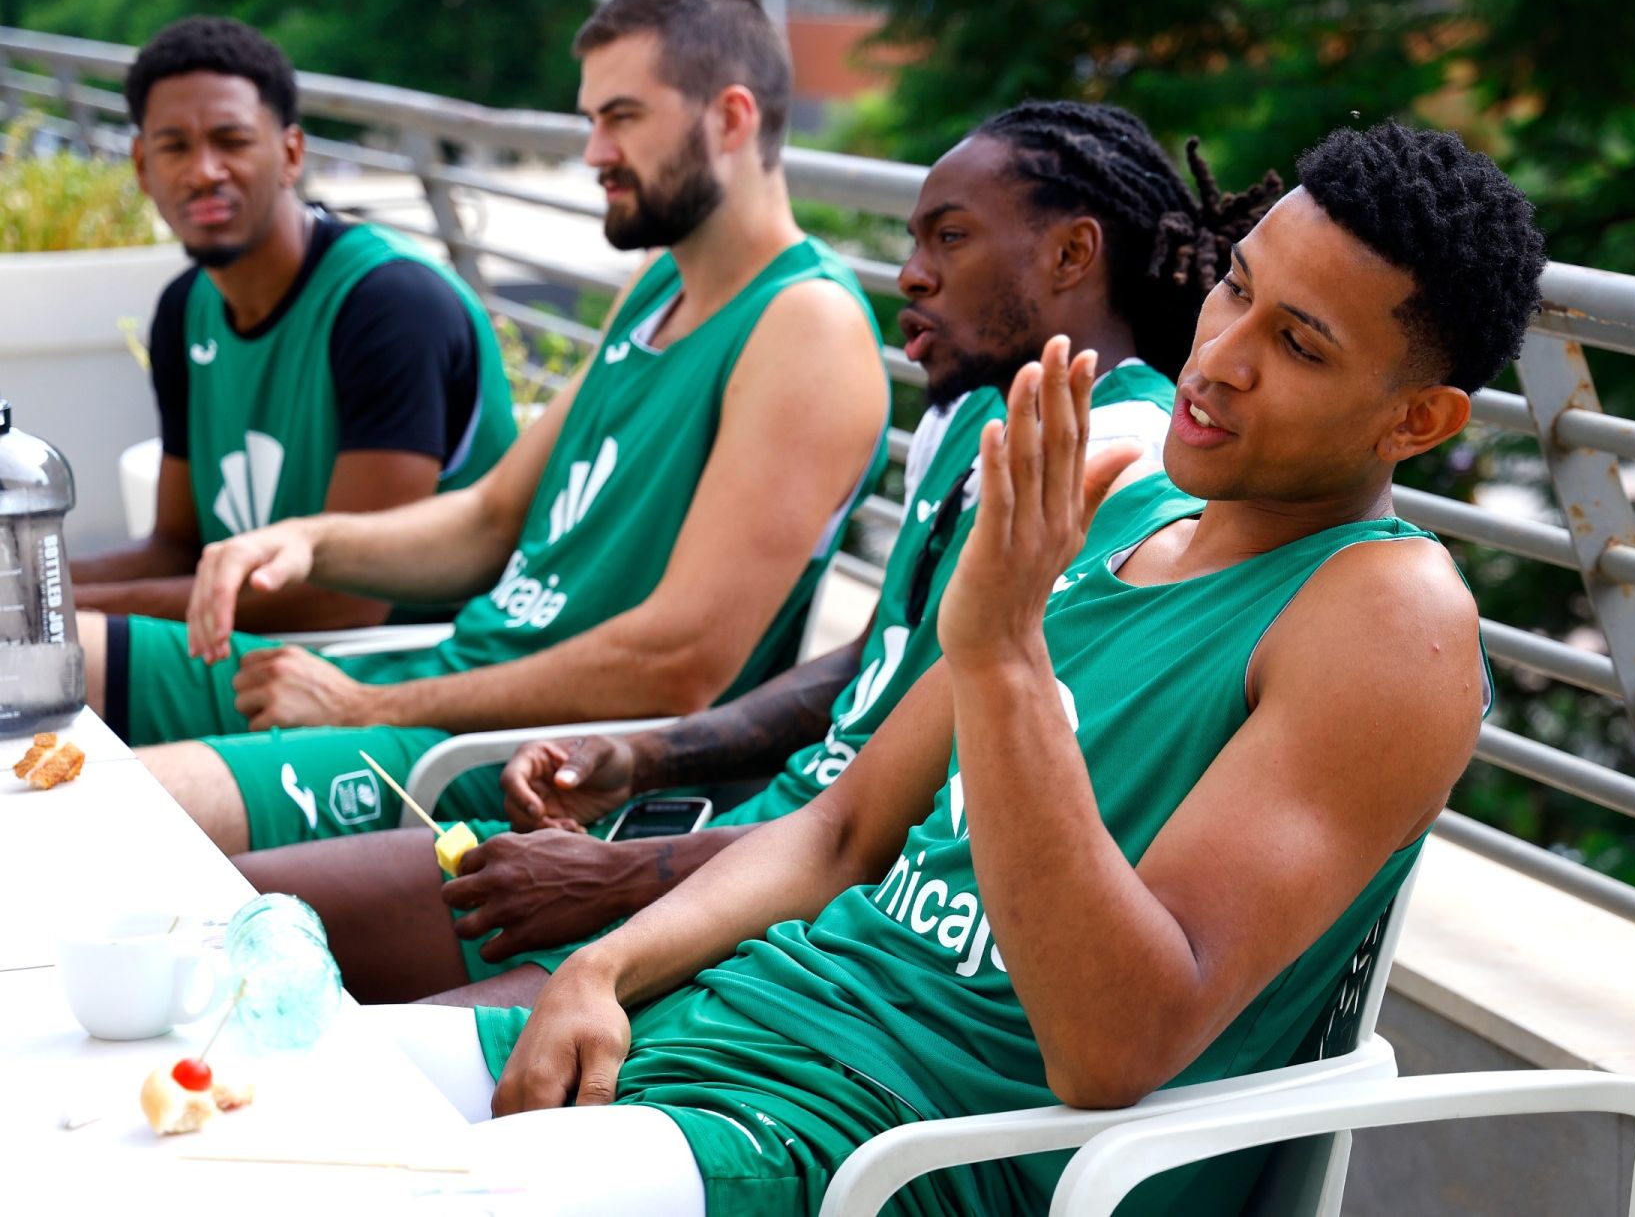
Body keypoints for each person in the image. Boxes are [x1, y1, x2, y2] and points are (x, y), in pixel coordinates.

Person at [369, 120, 1545, 1216]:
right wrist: (600, 968)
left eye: (1297, 343)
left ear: (1417, 422)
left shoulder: (1387, 615)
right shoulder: (1113, 514)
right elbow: (841, 834)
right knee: (251, 1093)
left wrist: (1001, 659)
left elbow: (1111, 1044)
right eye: (1237, 285)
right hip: (737, 1030)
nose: (1221, 357)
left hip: (901, 1147)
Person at [240, 101, 1288, 1010]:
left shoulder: (1118, 471)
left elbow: (937, 804)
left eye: (949, 238)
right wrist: (648, 755)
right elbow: (892, 663)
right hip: (737, 839)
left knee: (341, 1051)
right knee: (235, 918)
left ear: (1070, 255)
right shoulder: (978, 422)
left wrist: (628, 881)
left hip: (796, 918)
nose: (908, 275)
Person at [79, 0, 892, 857]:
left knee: (91, 819)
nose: (593, 152)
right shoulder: (661, 285)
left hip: (527, 760)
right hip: (450, 678)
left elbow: (680, 662)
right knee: (42, 651)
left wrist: (371, 706)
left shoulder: (807, 325)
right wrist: (309, 540)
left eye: (621, 117)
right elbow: (489, 516)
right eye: (590, 121)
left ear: (731, 118)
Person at [71, 16, 517, 632]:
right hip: (255, 644)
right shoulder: (185, 309)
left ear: (290, 153)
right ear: (143, 166)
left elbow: (351, 601)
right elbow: (177, 547)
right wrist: (33, 582)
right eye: (175, 146)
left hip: (404, 660)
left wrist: (56, 612)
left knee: (58, 662)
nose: (204, 170)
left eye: (231, 140)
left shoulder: (390, 304)